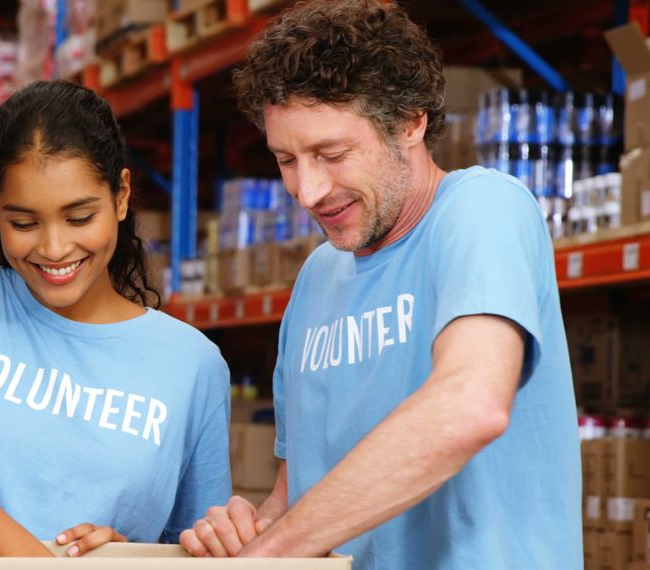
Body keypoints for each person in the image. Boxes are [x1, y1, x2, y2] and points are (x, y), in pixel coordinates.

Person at [180, 0, 580, 567]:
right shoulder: (317, 278)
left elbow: (471, 404)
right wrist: (249, 531)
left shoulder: (481, 208)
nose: (308, 191)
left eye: (332, 153)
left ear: (410, 121)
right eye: (286, 159)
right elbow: (297, 499)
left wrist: (270, 552)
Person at [0, 80, 232, 557]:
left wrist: (126, 554)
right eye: (24, 223)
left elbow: (195, 550)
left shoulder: (193, 365)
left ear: (121, 196)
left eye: (79, 218)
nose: (54, 248)